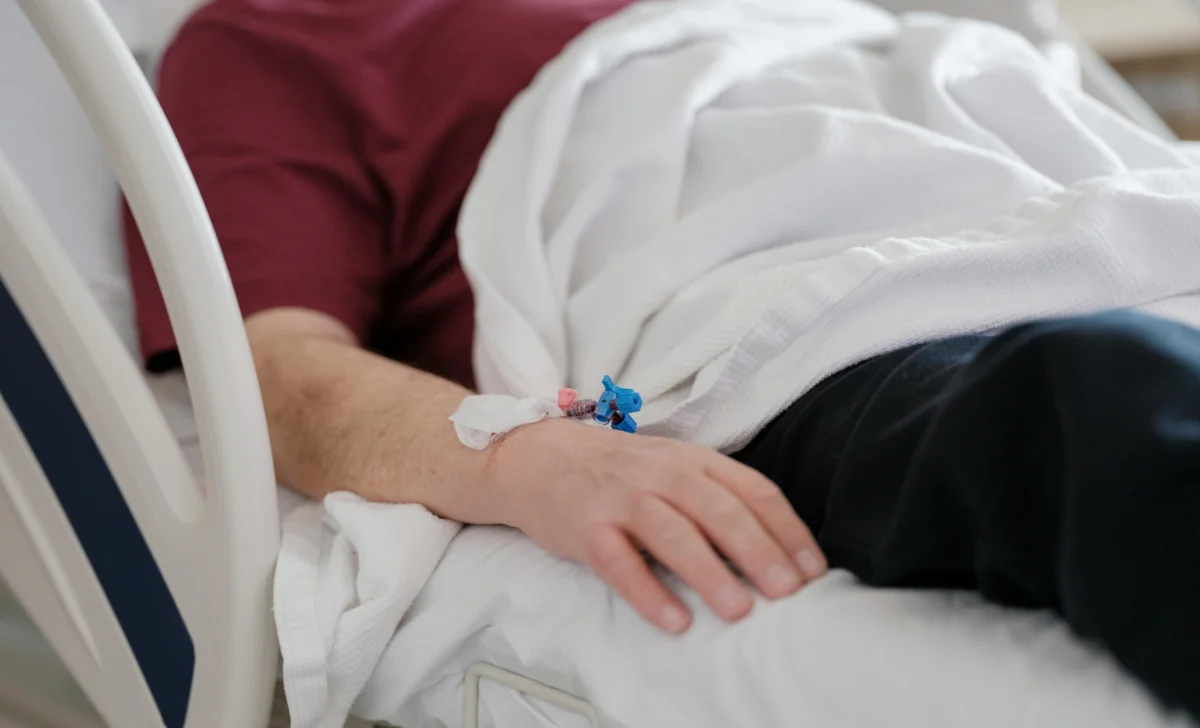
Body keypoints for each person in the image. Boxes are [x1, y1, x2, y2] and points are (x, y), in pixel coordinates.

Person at [124, 0, 1199, 718]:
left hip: (1123, 234)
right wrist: (518, 458)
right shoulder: (275, 38)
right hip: (832, 317)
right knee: (1101, 402)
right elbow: (268, 371)